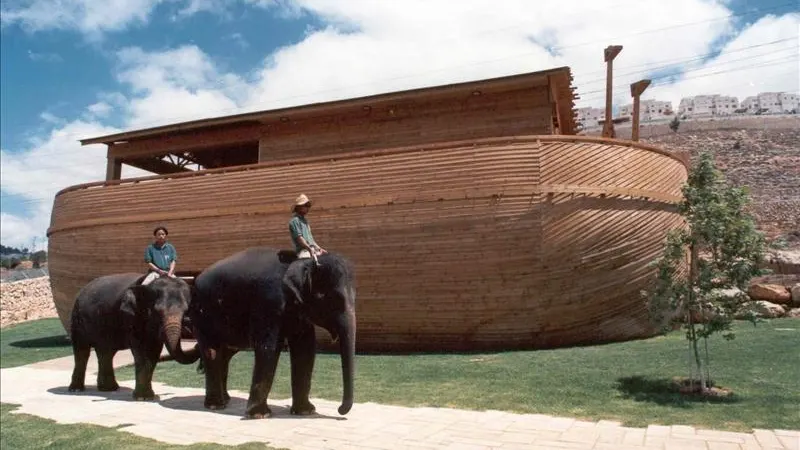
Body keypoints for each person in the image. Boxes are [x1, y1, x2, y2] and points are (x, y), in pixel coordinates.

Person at [289, 194, 327, 259]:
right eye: (306, 205)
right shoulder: (295, 221)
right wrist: (309, 249)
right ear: (299, 207)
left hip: (312, 249)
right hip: (303, 251)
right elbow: (299, 238)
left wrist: (319, 248)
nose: (308, 208)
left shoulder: (305, 221)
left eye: (308, 206)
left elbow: (311, 239)